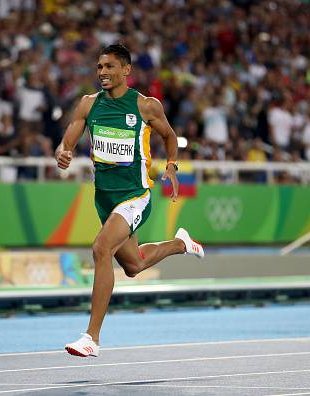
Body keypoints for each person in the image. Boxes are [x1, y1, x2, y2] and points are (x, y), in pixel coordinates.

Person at [55, 44, 204, 358]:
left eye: (109, 67)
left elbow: (169, 135)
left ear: (126, 70)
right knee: (133, 265)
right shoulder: (88, 104)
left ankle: (91, 337)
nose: (103, 73)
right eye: (99, 67)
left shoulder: (145, 106)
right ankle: (180, 244)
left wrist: (172, 166)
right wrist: (64, 151)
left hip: (135, 196)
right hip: (105, 199)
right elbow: (70, 136)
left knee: (101, 249)